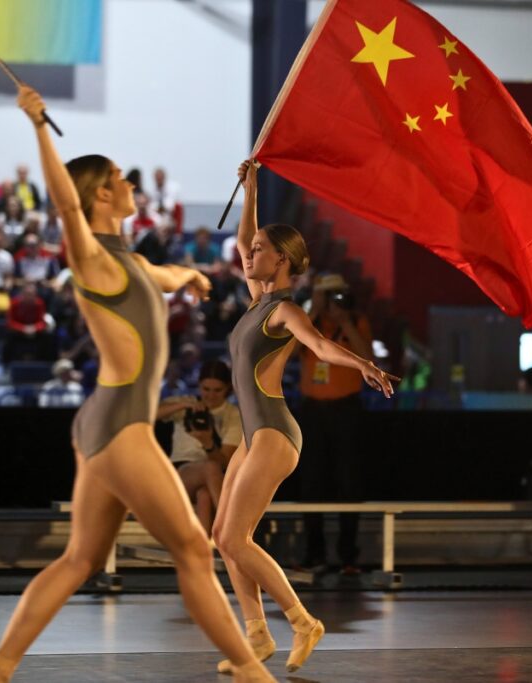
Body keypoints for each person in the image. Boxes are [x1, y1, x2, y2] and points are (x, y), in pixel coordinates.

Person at [0, 86, 274, 683]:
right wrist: (36, 126)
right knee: (191, 549)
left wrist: (189, 277)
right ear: (102, 192)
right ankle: (249, 669)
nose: (132, 184)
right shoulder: (92, 258)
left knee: (81, 557)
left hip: (105, 423)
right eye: (121, 178)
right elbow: (65, 208)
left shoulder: (127, 262)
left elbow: (163, 273)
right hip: (121, 427)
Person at [212, 160, 395, 676]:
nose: (249, 253)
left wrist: (363, 364)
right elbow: (247, 232)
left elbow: (318, 344)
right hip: (254, 434)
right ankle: (255, 636)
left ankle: (302, 620)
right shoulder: (256, 301)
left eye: (259, 251)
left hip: (273, 432)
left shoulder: (284, 311)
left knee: (233, 538)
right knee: (222, 536)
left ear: (283, 260)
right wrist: (251, 189)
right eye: (250, 251)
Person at [296, 273, 373, 575]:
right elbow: (288, 352)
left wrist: (345, 323)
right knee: (311, 481)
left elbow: (367, 358)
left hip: (346, 409)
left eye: (338, 295)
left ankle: (348, 557)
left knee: (348, 480)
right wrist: (312, 312)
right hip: (313, 410)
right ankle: (314, 553)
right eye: (329, 295)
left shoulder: (355, 322)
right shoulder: (307, 322)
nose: (334, 302)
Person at [158, 360, 242, 536]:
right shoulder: (185, 403)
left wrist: (208, 443)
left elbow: (225, 461)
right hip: (181, 473)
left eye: (217, 390)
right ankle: (232, 532)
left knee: (204, 495)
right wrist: (183, 406)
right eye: (205, 389)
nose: (210, 395)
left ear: (227, 388)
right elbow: (148, 415)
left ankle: (205, 554)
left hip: (215, 475)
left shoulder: (232, 415)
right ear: (198, 386)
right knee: (210, 469)